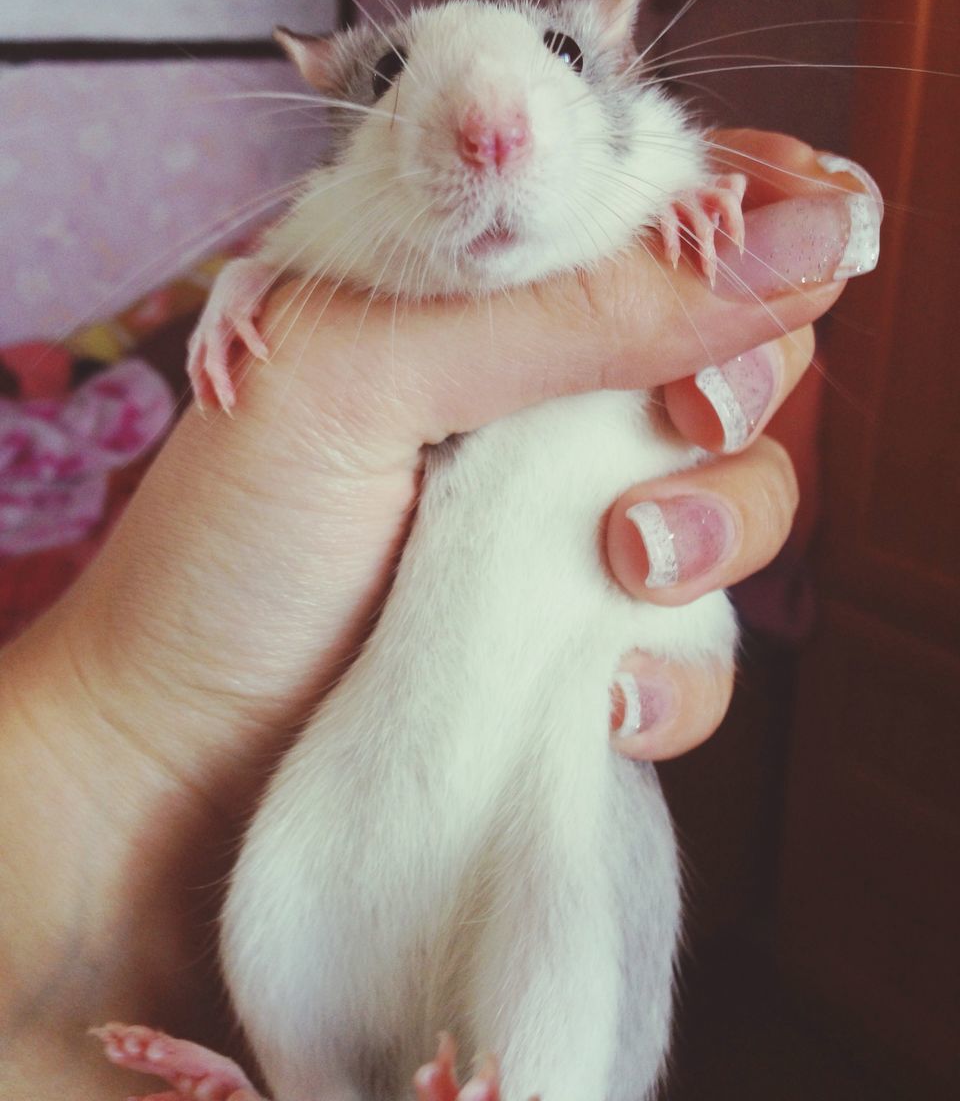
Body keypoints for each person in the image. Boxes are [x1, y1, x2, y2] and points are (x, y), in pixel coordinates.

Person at [0, 130, 878, 1099]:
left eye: (558, 53)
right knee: (274, 903)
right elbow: (301, 252)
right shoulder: (365, 251)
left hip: (552, 720)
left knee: (573, 873)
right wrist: (250, 290)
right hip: (370, 744)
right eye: (392, 84)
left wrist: (700, 208)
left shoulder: (642, 185)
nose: (489, 136)